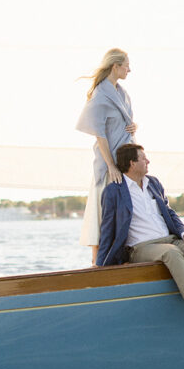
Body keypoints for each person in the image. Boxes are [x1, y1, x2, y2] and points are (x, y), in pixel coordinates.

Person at [96, 143, 184, 327]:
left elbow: (169, 212)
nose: (148, 161)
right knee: (171, 253)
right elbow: (107, 229)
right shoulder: (113, 191)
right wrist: (101, 264)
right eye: (143, 158)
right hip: (141, 248)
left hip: (171, 239)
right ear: (132, 163)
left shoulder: (153, 183)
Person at [76, 48, 137, 262]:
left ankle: (122, 260)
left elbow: (119, 124)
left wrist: (132, 126)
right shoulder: (101, 95)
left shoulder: (122, 94)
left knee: (125, 214)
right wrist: (110, 165)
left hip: (125, 162)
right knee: (101, 215)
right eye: (126, 65)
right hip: (109, 164)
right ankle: (96, 265)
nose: (130, 69)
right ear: (115, 66)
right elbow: (100, 134)